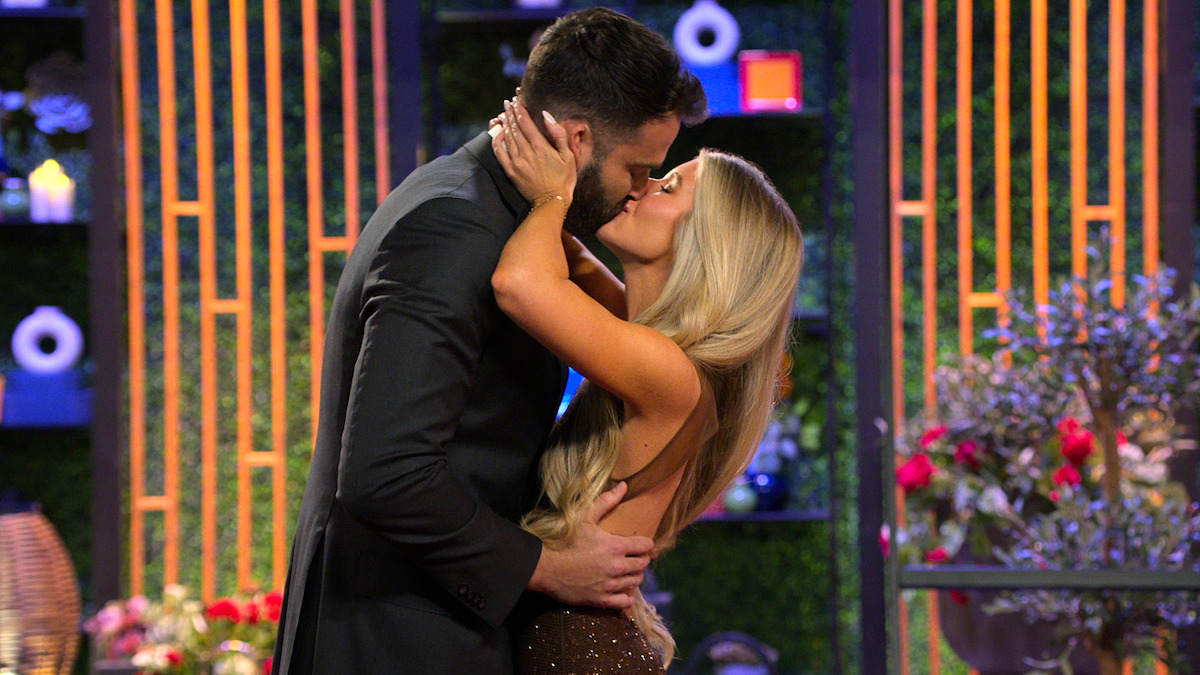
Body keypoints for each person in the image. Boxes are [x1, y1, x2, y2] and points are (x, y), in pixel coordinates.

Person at [270, 8, 707, 675]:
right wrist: (547, 565)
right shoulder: (454, 228)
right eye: (640, 169)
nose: (639, 191)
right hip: (396, 638)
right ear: (580, 141)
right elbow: (386, 475)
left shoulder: (496, 211)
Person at [490, 102, 803, 673]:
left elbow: (519, 283)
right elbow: (576, 263)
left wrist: (552, 197)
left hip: (579, 651)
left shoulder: (669, 372)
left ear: (706, 243)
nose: (640, 185)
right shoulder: (664, 354)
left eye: (669, 184)